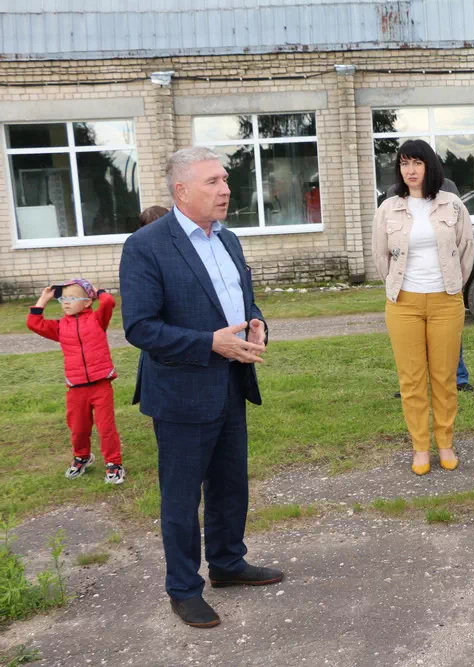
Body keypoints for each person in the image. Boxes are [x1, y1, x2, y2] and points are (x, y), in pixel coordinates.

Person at [120, 147, 280, 629]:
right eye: (213, 182)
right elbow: (141, 328)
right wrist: (210, 343)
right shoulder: (146, 245)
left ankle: (228, 563)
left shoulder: (228, 239)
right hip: (181, 391)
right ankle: (184, 588)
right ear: (181, 190)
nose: (225, 189)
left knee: (231, 483)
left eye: (225, 180)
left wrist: (257, 324)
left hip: (231, 381)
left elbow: (242, 303)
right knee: (182, 495)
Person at [372, 140, 474, 476]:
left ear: (430, 166)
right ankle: (420, 447)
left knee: (444, 378)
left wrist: (453, 285)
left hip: (445, 301)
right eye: (404, 164)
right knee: (412, 380)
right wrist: (396, 285)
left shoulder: (452, 205)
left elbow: (466, 248)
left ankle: (445, 443)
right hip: (404, 304)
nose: (411, 170)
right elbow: (381, 255)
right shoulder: (388, 208)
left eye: (417, 163)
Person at [26, 278, 125, 484]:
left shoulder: (98, 320)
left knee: (106, 428)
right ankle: (82, 457)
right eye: (63, 299)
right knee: (78, 428)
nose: (66, 303)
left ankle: (114, 464)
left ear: (87, 302)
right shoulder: (60, 326)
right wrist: (43, 299)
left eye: (72, 298)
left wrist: (97, 291)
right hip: (76, 388)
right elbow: (33, 323)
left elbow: (108, 302)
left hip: (101, 385)